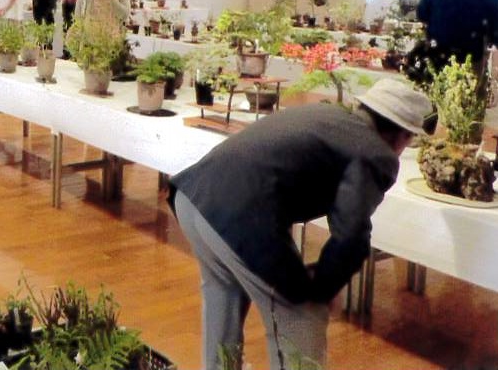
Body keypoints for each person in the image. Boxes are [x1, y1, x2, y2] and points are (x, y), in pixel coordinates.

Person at [169, 79, 431, 370]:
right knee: (302, 318)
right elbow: (351, 234)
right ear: (403, 135)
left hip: (194, 196)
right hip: (238, 218)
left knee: (223, 300)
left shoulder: (328, 115)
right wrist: (319, 290)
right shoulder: (375, 152)